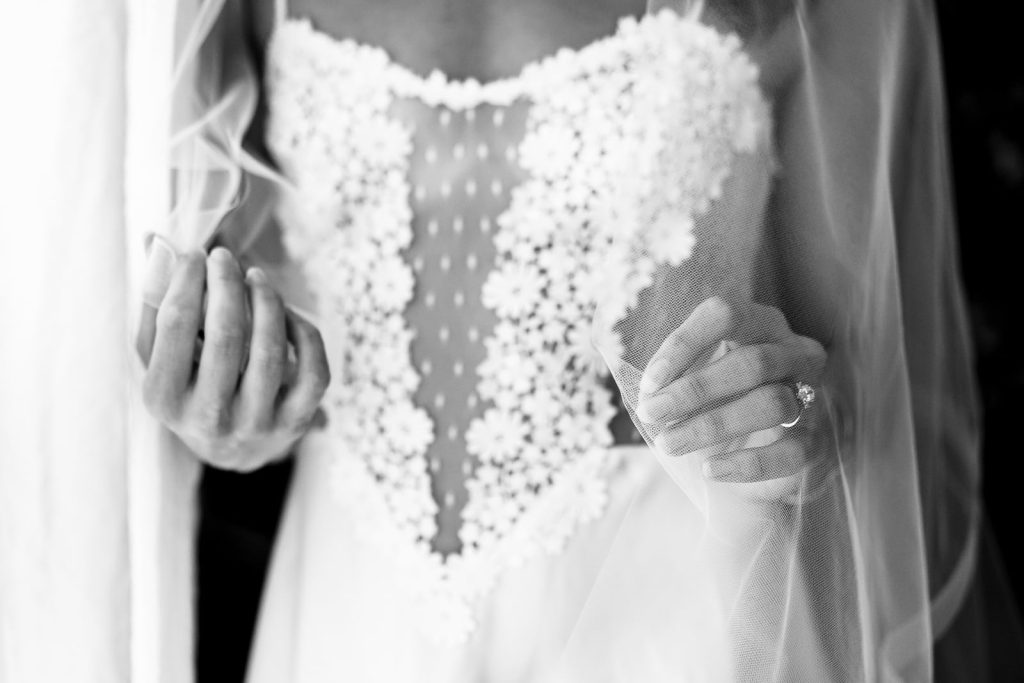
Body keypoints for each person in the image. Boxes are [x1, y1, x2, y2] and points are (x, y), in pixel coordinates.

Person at [130, 0, 1000, 679]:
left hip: (670, 606)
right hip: (355, 600)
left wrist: (796, 410)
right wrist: (229, 414)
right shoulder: (224, 8)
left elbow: (864, 382)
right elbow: (221, 299)